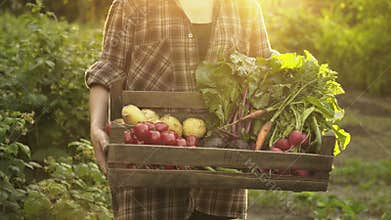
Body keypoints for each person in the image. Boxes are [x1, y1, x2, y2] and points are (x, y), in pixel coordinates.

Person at [85, 0, 277, 219]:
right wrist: (96, 126)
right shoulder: (132, 5)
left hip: (221, 183)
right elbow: (108, 69)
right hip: (149, 176)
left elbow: (266, 70)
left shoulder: (245, 7)